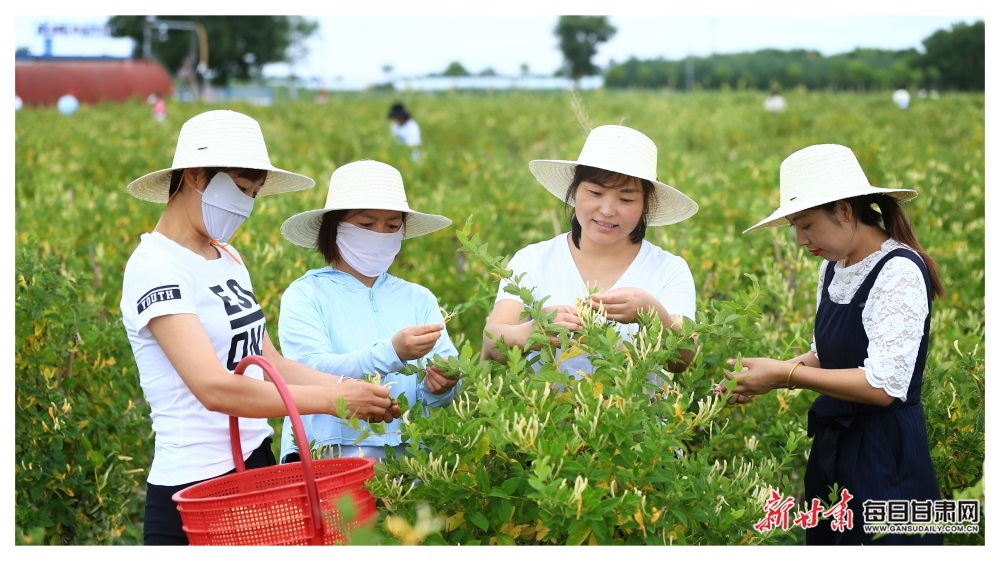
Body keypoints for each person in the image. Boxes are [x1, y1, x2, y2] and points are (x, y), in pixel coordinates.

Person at [119, 110, 400, 545]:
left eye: (253, 193)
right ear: (195, 176)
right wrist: (330, 399)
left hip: (254, 464)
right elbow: (214, 389)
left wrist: (352, 390)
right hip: (194, 487)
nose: (245, 205)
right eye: (240, 189)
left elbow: (268, 360)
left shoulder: (227, 256)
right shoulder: (156, 266)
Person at [718, 143, 944, 545]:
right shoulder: (834, 267)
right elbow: (827, 354)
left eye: (806, 225)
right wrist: (769, 373)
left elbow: (882, 387)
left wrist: (786, 374)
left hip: (885, 454)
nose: (802, 240)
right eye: (795, 228)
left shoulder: (900, 272)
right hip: (836, 448)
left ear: (843, 210)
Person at [277, 159, 460, 463]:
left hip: (410, 461)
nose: (379, 234)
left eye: (391, 226)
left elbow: (440, 388)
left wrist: (441, 384)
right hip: (330, 457)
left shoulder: (418, 298)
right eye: (366, 224)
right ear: (335, 226)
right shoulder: (306, 294)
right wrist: (391, 352)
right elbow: (306, 373)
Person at [482, 124, 700, 378]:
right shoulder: (532, 260)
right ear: (574, 191)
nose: (607, 210)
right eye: (595, 192)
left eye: (626, 199)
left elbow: (683, 359)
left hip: (638, 417)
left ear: (645, 205)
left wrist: (652, 314)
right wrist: (531, 331)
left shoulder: (669, 269)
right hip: (546, 416)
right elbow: (491, 343)